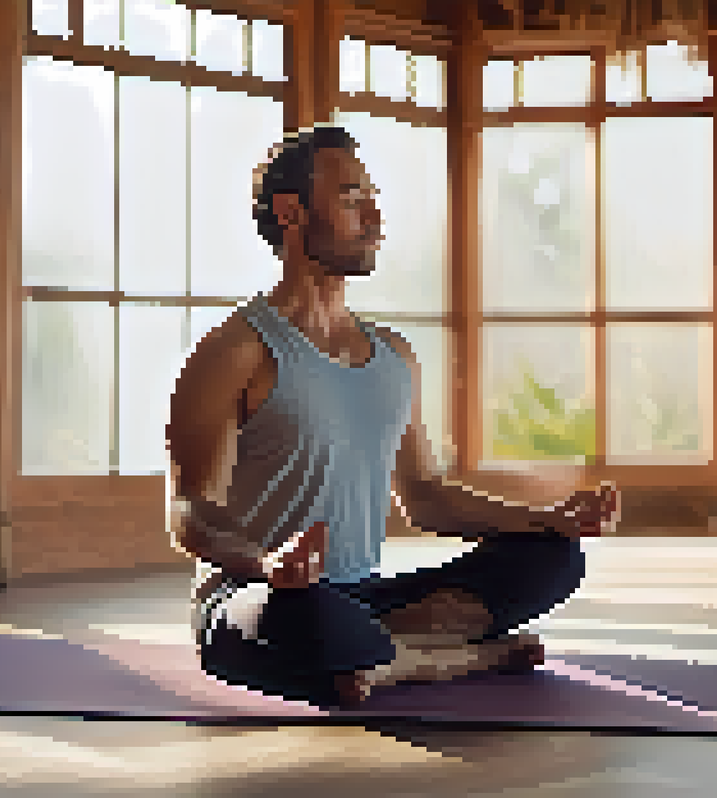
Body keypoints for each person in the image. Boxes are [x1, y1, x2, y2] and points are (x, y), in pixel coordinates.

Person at [167, 125, 621, 710]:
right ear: (291, 213)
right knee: (296, 621)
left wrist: (549, 520)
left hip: (368, 597)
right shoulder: (234, 352)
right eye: (351, 198)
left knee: (551, 560)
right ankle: (456, 655)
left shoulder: (393, 357)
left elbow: (426, 496)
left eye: (372, 199)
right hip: (264, 594)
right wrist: (266, 563)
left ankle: (386, 659)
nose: (374, 219)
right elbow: (189, 512)